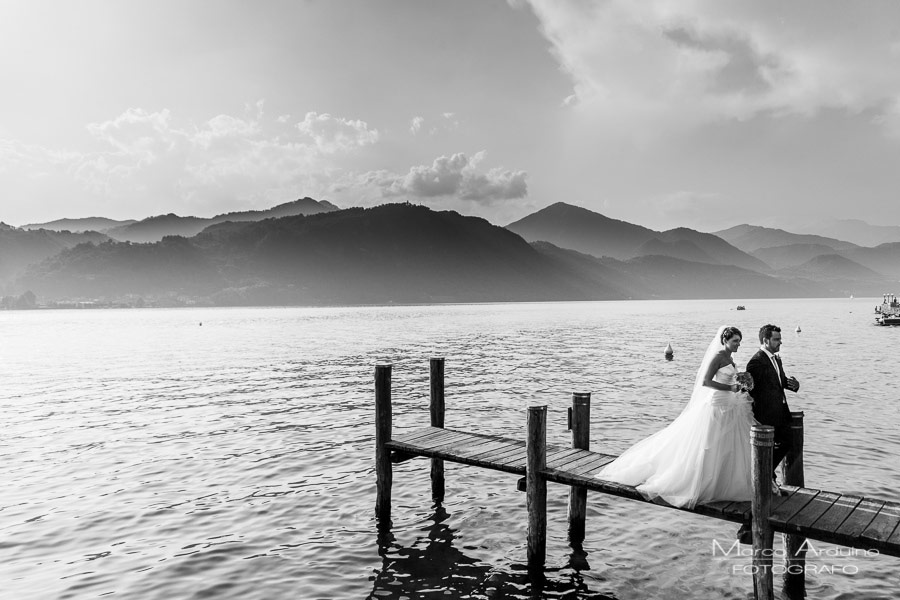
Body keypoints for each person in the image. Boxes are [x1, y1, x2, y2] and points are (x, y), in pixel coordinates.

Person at [595, 326, 756, 509]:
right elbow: (706, 382)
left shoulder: (730, 358)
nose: (738, 344)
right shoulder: (718, 357)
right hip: (717, 404)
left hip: (729, 404)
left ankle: (723, 480)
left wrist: (738, 384)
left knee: (725, 445)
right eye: (735, 341)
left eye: (739, 341)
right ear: (725, 341)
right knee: (709, 444)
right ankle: (701, 481)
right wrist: (729, 388)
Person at [745, 324, 800, 485]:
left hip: (780, 411)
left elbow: (780, 382)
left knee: (788, 441)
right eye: (776, 339)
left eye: (780, 339)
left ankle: (768, 474)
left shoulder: (776, 359)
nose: (780, 342)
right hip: (766, 414)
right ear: (765, 340)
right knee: (782, 443)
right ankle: (766, 474)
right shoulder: (756, 362)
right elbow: (751, 390)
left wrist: (794, 385)